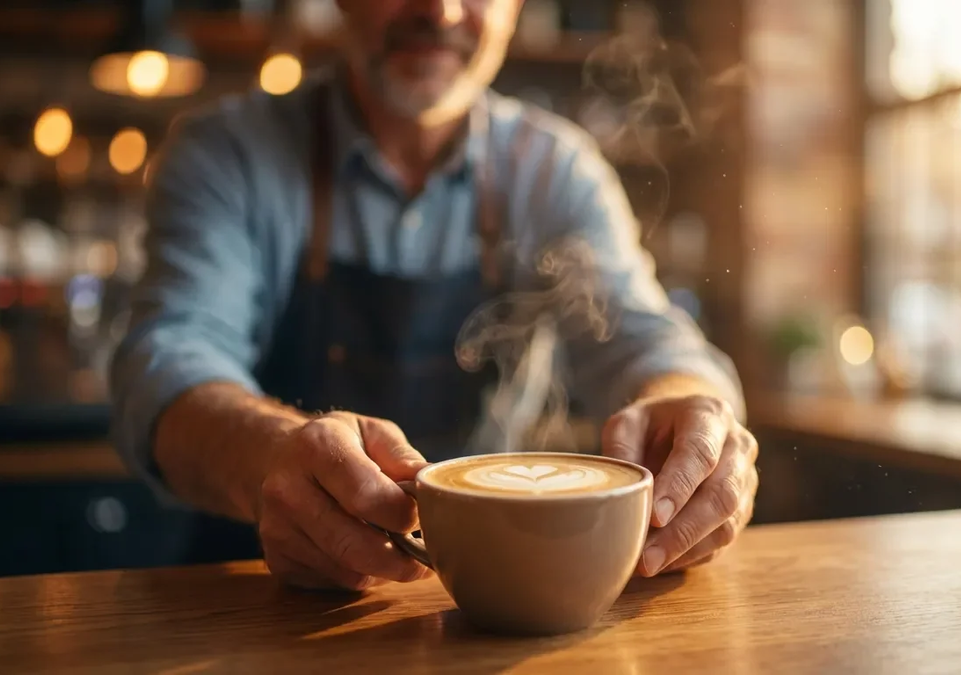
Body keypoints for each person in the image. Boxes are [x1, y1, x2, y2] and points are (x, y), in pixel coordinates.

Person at [109, 0, 759, 591]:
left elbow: (648, 341)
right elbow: (166, 366)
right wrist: (270, 454)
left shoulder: (556, 171)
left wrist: (694, 416)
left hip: (499, 603)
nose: (440, 10)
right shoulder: (228, 155)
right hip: (254, 602)